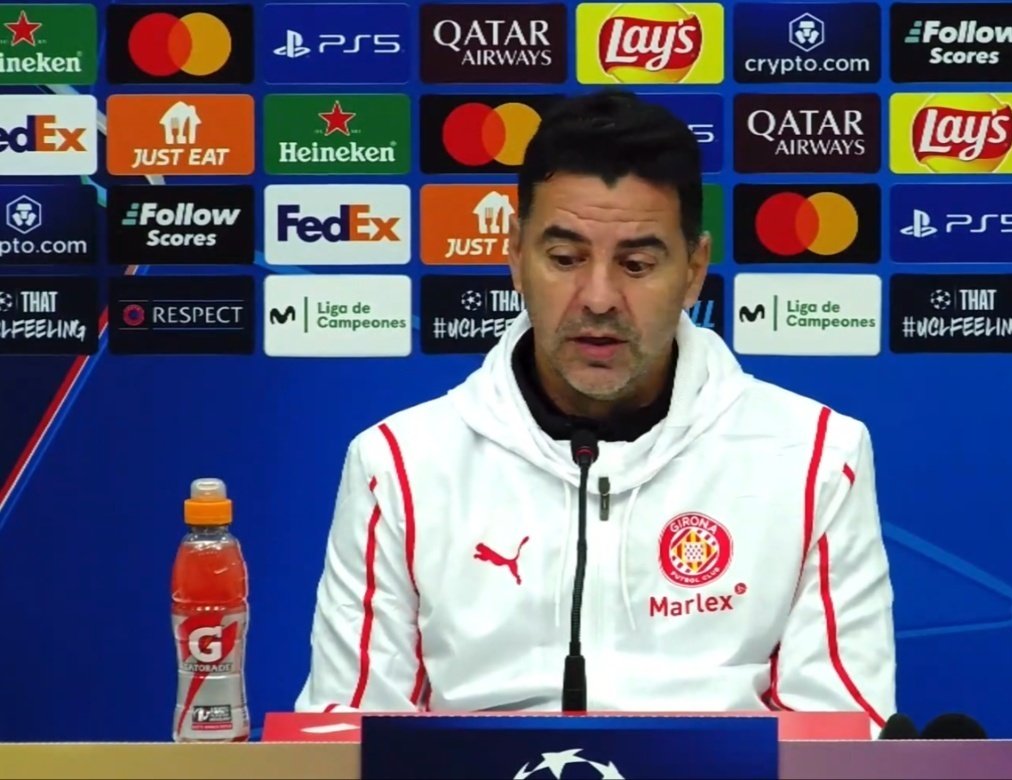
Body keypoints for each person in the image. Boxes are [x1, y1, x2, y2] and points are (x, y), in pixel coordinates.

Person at [294, 88, 897, 734]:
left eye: (637, 263)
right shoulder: (399, 466)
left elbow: (843, 744)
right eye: (565, 259)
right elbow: (347, 741)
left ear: (694, 270)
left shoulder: (816, 458)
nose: (600, 297)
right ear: (515, 256)